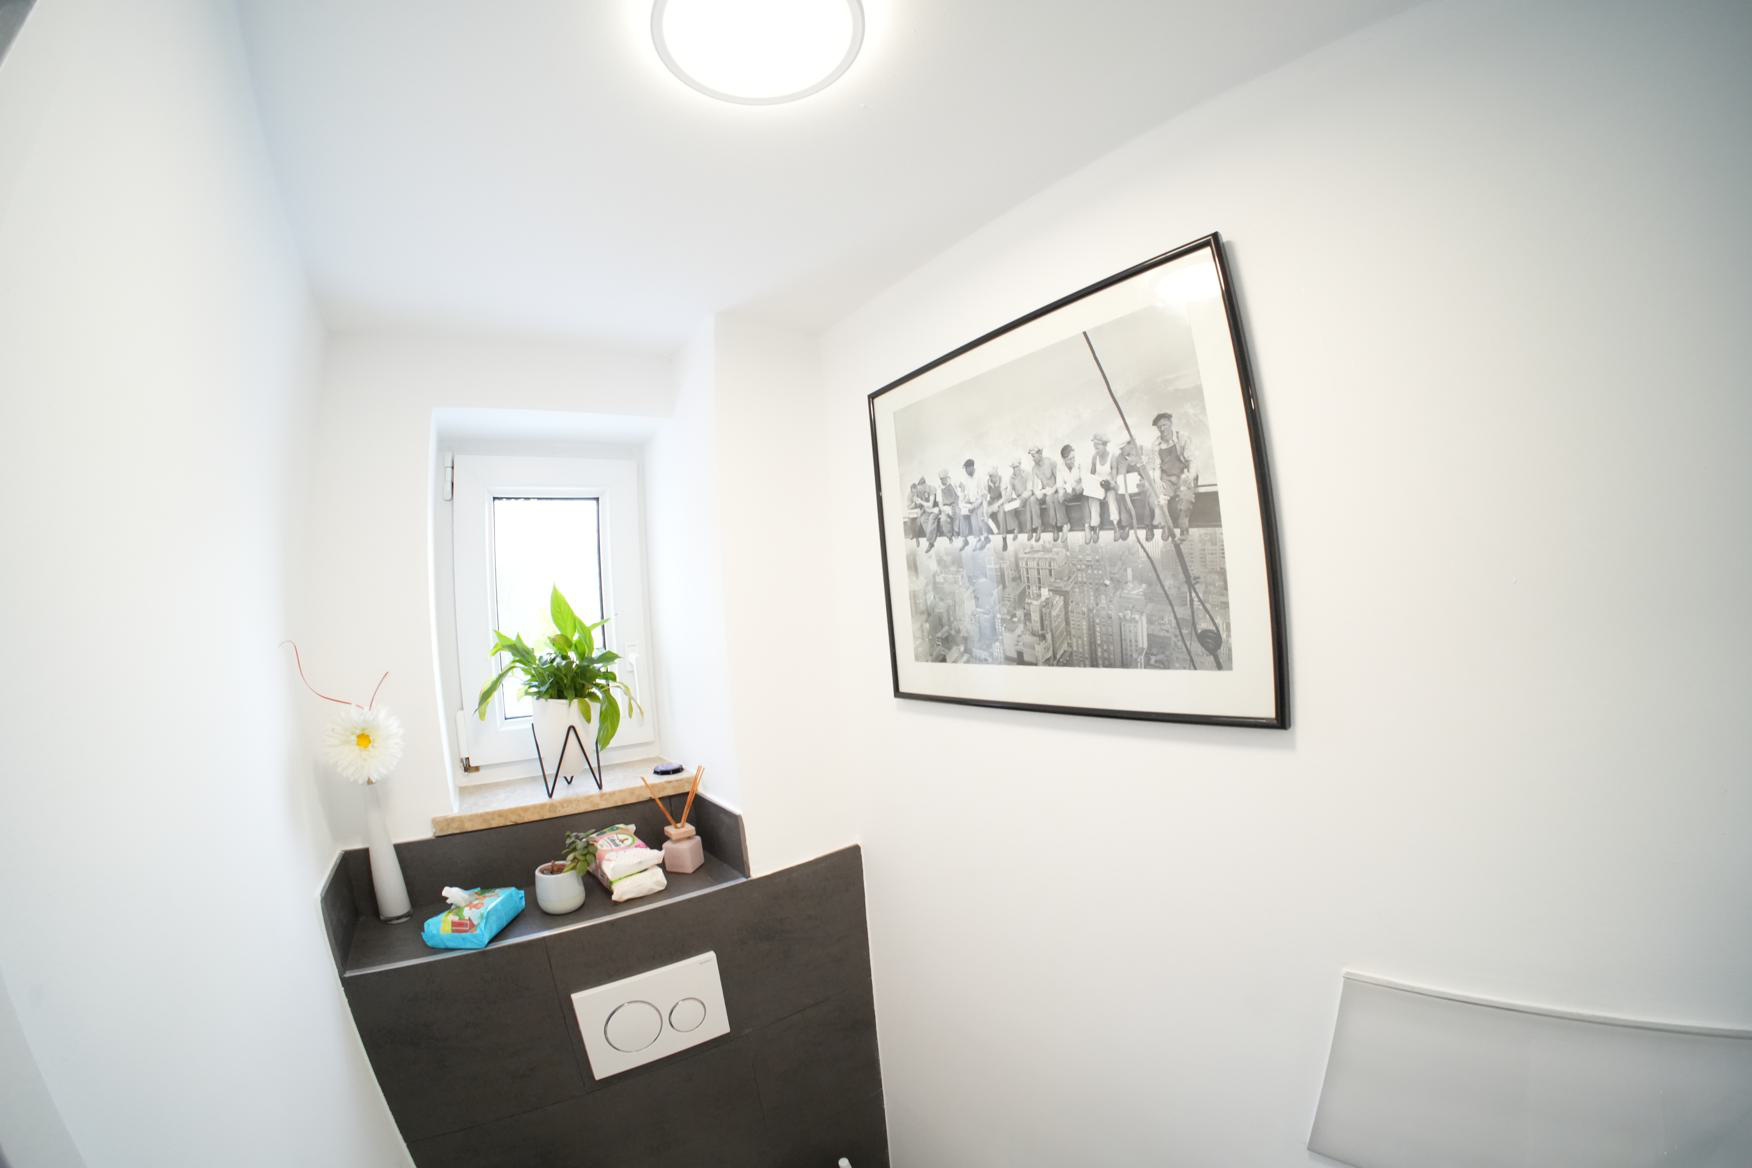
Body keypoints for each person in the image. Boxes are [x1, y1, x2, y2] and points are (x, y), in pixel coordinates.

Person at [1151, 411, 1195, 541]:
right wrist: (1157, 480)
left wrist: (1191, 476)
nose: (1162, 429)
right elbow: (1156, 467)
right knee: (1160, 498)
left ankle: (1184, 530)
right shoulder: (1156, 444)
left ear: (1170, 424)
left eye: (1164, 425)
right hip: (1167, 477)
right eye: (1159, 427)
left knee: (1185, 498)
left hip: (1183, 474)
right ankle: (1166, 527)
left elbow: (1192, 460)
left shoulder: (1182, 438)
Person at [1112, 439, 1155, 541]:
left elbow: (1150, 472)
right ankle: (1126, 524)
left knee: (1147, 490)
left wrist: (1140, 465)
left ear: (1130, 444)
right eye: (1120, 449)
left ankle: (1148, 525)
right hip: (1129, 485)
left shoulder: (1144, 451)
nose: (1121, 451)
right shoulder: (1120, 457)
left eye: (1123, 448)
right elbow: (1121, 475)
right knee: (1121, 492)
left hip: (1143, 482)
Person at [1029, 445, 1065, 542]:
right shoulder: (1034, 468)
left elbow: (1060, 480)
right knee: (1032, 499)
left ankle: (1054, 527)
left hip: (1054, 490)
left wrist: (1052, 490)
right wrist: (1038, 492)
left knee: (1049, 499)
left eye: (1034, 456)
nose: (1032, 459)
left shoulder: (1051, 462)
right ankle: (1038, 527)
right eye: (1032, 456)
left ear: (1040, 454)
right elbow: (1034, 486)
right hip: (1045, 491)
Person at [1088, 433, 1118, 543]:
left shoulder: (1112, 457)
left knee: (1111, 497)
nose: (1096, 450)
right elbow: (1092, 475)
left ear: (1105, 445)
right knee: (1093, 498)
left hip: (1109, 485)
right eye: (1094, 447)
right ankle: (1096, 526)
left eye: (1098, 447)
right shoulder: (1094, 457)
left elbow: (1114, 477)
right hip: (1098, 486)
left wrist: (1111, 483)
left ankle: (1115, 524)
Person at [1058, 443, 1088, 543]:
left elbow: (1085, 481)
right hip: (1069, 493)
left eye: (1073, 458)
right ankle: (1065, 525)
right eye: (1069, 459)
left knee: (1085, 496)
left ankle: (1087, 526)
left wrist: (1077, 487)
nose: (1072, 461)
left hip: (1080, 491)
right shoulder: (1060, 468)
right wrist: (1062, 493)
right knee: (1059, 499)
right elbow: (1060, 485)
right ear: (1063, 459)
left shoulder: (1080, 464)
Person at [959, 458, 991, 549]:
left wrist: (974, 506)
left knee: (980, 517)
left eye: (967, 469)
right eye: (965, 469)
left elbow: (983, 496)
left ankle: (986, 537)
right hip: (972, 503)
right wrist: (964, 499)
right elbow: (967, 494)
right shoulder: (967, 479)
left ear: (971, 468)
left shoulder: (980, 477)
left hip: (982, 502)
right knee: (972, 520)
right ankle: (978, 539)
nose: (966, 471)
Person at [1005, 458, 1033, 546]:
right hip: (1018, 498)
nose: (1015, 469)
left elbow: (1030, 490)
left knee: (1028, 503)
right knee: (1007, 507)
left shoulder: (1027, 473)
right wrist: (1006, 498)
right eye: (1013, 467)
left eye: (1016, 467)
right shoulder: (1011, 478)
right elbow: (1009, 492)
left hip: (1027, 496)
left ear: (1020, 465)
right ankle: (1016, 527)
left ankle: (1029, 530)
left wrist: (1023, 498)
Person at [936, 469, 964, 548]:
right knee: (943, 520)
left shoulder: (953, 482)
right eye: (941, 479)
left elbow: (962, 485)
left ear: (947, 477)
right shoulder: (939, 488)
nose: (943, 480)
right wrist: (945, 510)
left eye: (944, 478)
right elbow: (940, 504)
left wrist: (962, 495)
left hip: (955, 504)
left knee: (957, 513)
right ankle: (949, 537)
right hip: (945, 507)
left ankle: (956, 533)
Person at [909, 476, 939, 548]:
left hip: (935, 510)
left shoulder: (932, 489)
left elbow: (930, 505)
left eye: (919, 487)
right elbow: (922, 505)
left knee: (931, 519)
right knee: (922, 519)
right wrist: (916, 502)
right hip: (927, 511)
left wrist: (920, 501)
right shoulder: (921, 491)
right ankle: (932, 539)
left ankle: (930, 542)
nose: (919, 489)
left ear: (923, 485)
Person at [983, 465, 1007, 551]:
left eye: (995, 475)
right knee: (984, 514)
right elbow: (985, 499)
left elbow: (1004, 498)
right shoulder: (987, 482)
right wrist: (986, 510)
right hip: (992, 500)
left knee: (1001, 514)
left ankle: (1004, 538)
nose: (994, 478)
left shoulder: (1002, 480)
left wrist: (996, 506)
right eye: (992, 476)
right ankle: (991, 533)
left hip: (1001, 500)